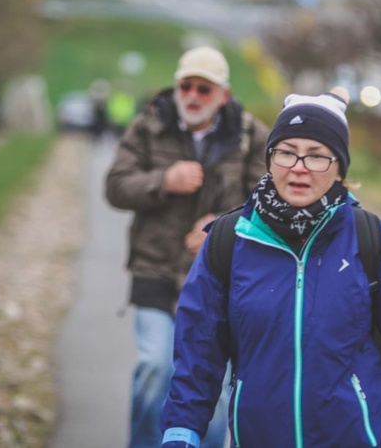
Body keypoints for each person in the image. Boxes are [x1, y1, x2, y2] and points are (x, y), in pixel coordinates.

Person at [160, 93, 381, 448]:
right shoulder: (229, 240)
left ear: (339, 169)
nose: (299, 167)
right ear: (269, 160)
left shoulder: (373, 240)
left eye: (317, 156)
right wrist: (179, 436)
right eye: (287, 152)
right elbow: (197, 360)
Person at [105, 46, 270, 448]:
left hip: (221, 278)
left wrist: (221, 225)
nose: (194, 96)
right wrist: (163, 180)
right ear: (176, 88)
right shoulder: (147, 126)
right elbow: (114, 187)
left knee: (211, 380)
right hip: (154, 269)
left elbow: (268, 199)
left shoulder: (251, 135)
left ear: (223, 95)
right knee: (155, 367)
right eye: (186, 86)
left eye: (204, 88)